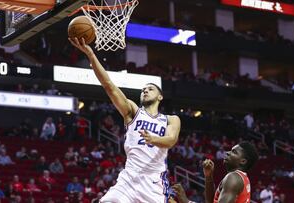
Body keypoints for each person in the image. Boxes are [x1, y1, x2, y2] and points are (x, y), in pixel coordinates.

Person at [69, 37, 181, 203]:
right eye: (143, 89)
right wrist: (91, 55)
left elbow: (171, 140)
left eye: (150, 89)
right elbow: (109, 85)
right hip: (129, 180)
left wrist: (153, 139)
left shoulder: (171, 119)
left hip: (154, 183)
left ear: (160, 96)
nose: (145, 91)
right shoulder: (132, 111)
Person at [172, 141, 258, 203]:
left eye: (234, 152)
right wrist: (208, 177)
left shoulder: (233, 178)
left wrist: (186, 201)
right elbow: (211, 201)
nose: (227, 153)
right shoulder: (241, 178)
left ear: (243, 161)